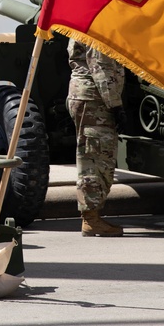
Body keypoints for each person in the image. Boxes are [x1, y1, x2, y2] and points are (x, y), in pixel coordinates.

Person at [66, 38, 128, 237]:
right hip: (95, 98)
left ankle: (91, 216)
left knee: (95, 155)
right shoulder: (96, 27)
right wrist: (115, 104)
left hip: (89, 96)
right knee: (95, 158)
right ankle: (90, 219)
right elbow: (100, 66)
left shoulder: (86, 21)